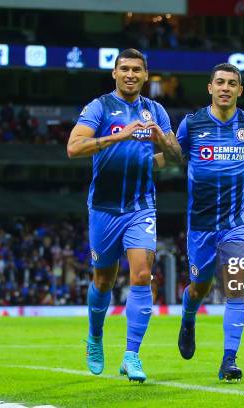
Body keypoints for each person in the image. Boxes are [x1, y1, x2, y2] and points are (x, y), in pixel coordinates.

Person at [157, 63, 244, 381]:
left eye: (232, 83)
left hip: (238, 219)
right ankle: (188, 316)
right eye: (220, 82)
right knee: (200, 287)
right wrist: (135, 166)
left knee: (235, 289)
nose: (226, 87)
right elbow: (172, 156)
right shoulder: (193, 122)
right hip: (201, 222)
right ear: (210, 88)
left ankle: (229, 360)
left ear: (239, 90)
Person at [67, 48, 178, 383]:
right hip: (103, 207)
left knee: (142, 275)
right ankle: (96, 337)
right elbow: (73, 147)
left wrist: (163, 141)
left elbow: (175, 158)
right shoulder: (99, 107)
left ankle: (132, 355)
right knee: (103, 279)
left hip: (141, 206)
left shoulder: (156, 110)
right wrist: (120, 134)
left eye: (137, 70)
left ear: (146, 76)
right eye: (125, 69)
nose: (131, 74)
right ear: (114, 73)